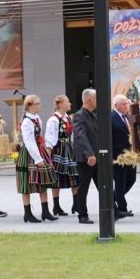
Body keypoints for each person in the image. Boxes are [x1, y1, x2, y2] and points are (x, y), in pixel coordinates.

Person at [16, 95, 58, 223]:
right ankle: (27, 213)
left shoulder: (37, 118)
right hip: (30, 154)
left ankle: (45, 211)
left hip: (39, 150)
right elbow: (29, 141)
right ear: (30, 105)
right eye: (38, 103)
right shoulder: (27, 122)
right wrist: (38, 159)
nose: (40, 105)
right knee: (26, 184)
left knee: (43, 180)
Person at [45, 95, 79, 217]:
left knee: (75, 176)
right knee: (57, 178)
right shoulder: (54, 120)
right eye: (67, 102)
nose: (70, 104)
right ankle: (56, 206)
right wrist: (48, 158)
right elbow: (50, 139)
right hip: (59, 150)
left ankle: (76, 203)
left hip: (69, 149)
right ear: (60, 104)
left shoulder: (67, 119)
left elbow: (72, 136)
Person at [72, 88, 98, 224]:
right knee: (83, 187)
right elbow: (81, 137)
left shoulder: (93, 115)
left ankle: (113, 210)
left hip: (96, 157)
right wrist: (90, 154)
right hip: (86, 159)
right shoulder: (79, 116)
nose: (97, 101)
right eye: (96, 98)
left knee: (103, 185)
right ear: (89, 100)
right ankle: (82, 215)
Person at [111, 94, 135, 219]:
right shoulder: (111, 117)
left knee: (131, 179)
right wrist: (111, 157)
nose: (126, 106)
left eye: (127, 103)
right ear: (115, 105)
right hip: (117, 155)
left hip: (130, 155)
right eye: (123, 104)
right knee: (120, 182)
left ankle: (112, 198)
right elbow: (108, 138)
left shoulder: (128, 117)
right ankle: (122, 208)